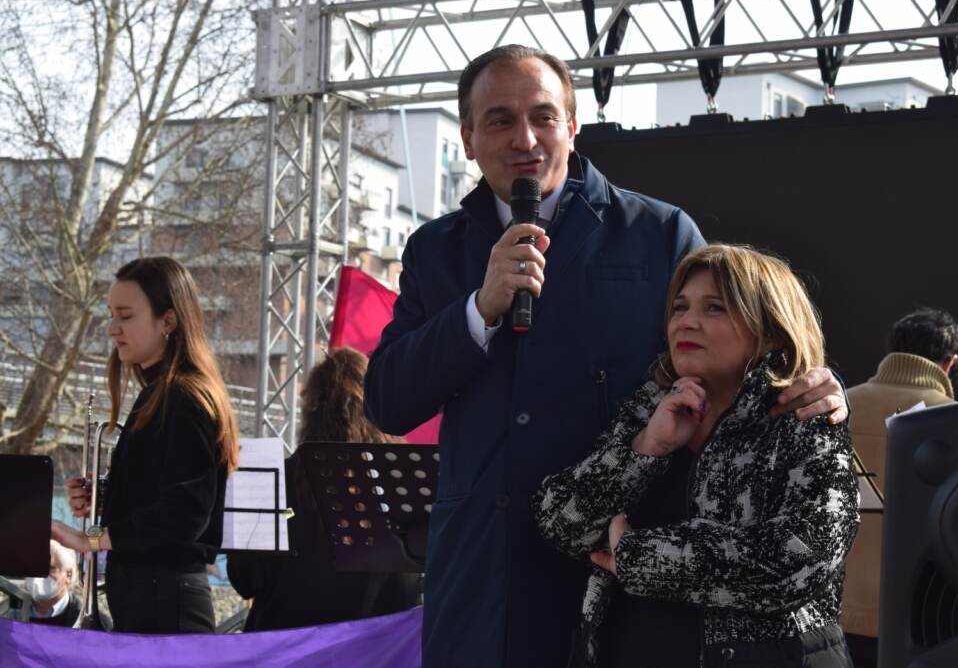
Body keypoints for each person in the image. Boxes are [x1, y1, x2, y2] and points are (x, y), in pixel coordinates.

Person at [363, 44, 849, 668]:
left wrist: (815, 384)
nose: (525, 138)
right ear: (467, 137)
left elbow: (747, 349)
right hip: (480, 573)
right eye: (500, 120)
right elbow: (387, 402)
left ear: (573, 124)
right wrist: (479, 308)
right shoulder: (435, 250)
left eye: (543, 116)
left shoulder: (658, 233)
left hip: (620, 575)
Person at [534, 244, 860, 667]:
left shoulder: (806, 416)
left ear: (771, 331)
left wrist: (642, 557)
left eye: (714, 309)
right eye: (680, 308)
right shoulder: (648, 407)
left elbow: (803, 557)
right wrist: (646, 448)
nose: (686, 322)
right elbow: (560, 521)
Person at [52, 256, 239, 634]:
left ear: (168, 320)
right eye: (111, 315)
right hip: (152, 600)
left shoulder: (183, 397)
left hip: (166, 605)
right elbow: (166, 494)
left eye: (125, 316)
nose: (112, 328)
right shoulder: (163, 394)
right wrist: (105, 498)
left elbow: (186, 512)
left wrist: (90, 539)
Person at [227, 347, 420, 631]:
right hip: (375, 653)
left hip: (286, 651)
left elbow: (244, 579)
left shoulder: (275, 480)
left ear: (311, 409)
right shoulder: (403, 484)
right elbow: (409, 589)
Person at [841, 308, 958, 666]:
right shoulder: (957, 419)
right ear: (949, 363)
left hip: (832, 615)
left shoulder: (838, 405)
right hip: (916, 617)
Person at [23, 540, 81, 627]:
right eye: (32, 565)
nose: (38, 573)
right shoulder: (7, 610)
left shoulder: (90, 620)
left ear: (69, 574)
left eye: (48, 567)